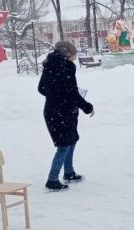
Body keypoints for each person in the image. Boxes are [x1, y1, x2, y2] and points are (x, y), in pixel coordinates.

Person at [38, 41, 94, 191]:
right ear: (67, 54)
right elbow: (72, 93)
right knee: (64, 145)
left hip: (54, 110)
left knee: (72, 140)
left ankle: (68, 172)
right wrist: (87, 107)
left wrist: (55, 95)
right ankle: (52, 180)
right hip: (62, 112)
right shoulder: (65, 67)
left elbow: (42, 89)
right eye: (74, 57)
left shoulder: (50, 65)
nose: (74, 60)